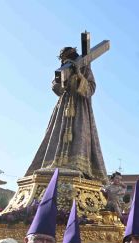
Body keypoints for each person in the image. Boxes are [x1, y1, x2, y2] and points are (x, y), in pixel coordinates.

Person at [26, 46, 107, 181]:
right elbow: (56, 89)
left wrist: (80, 76)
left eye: (68, 58)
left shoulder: (85, 69)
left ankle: (78, 167)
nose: (65, 61)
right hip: (63, 107)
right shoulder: (63, 72)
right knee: (56, 133)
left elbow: (91, 89)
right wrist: (61, 81)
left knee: (80, 134)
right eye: (63, 60)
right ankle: (54, 163)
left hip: (80, 107)